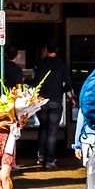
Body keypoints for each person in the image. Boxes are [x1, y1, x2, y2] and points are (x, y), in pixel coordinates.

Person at [33, 41, 70, 170]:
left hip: (42, 101)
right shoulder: (62, 64)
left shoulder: (40, 63)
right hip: (56, 101)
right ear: (57, 49)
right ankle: (49, 161)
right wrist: (70, 97)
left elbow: (35, 82)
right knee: (52, 132)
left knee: (43, 128)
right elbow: (67, 83)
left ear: (46, 49)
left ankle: (40, 156)